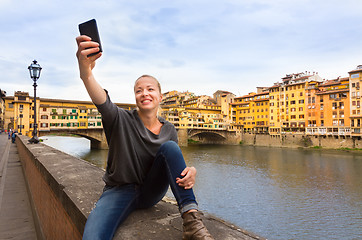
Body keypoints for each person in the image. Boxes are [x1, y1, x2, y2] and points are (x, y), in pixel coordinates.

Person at [76, 35, 214, 240]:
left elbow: (173, 164)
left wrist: (191, 171)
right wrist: (86, 72)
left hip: (151, 192)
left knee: (170, 148)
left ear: (160, 97)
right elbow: (100, 99)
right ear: (135, 97)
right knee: (92, 237)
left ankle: (192, 221)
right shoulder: (119, 118)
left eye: (150, 89)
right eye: (139, 90)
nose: (145, 93)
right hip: (118, 190)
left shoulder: (169, 129)